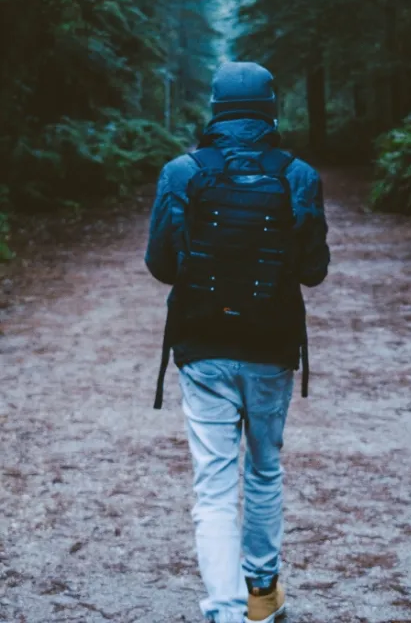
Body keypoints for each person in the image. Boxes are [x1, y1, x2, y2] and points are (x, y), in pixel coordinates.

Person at [145, 62, 330, 623]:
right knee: (265, 470)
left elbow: (161, 265)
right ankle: (262, 594)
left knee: (214, 485)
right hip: (270, 345)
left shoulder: (181, 172)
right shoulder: (299, 175)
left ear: (215, 109)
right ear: (271, 109)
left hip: (202, 345)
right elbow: (314, 271)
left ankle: (226, 611)